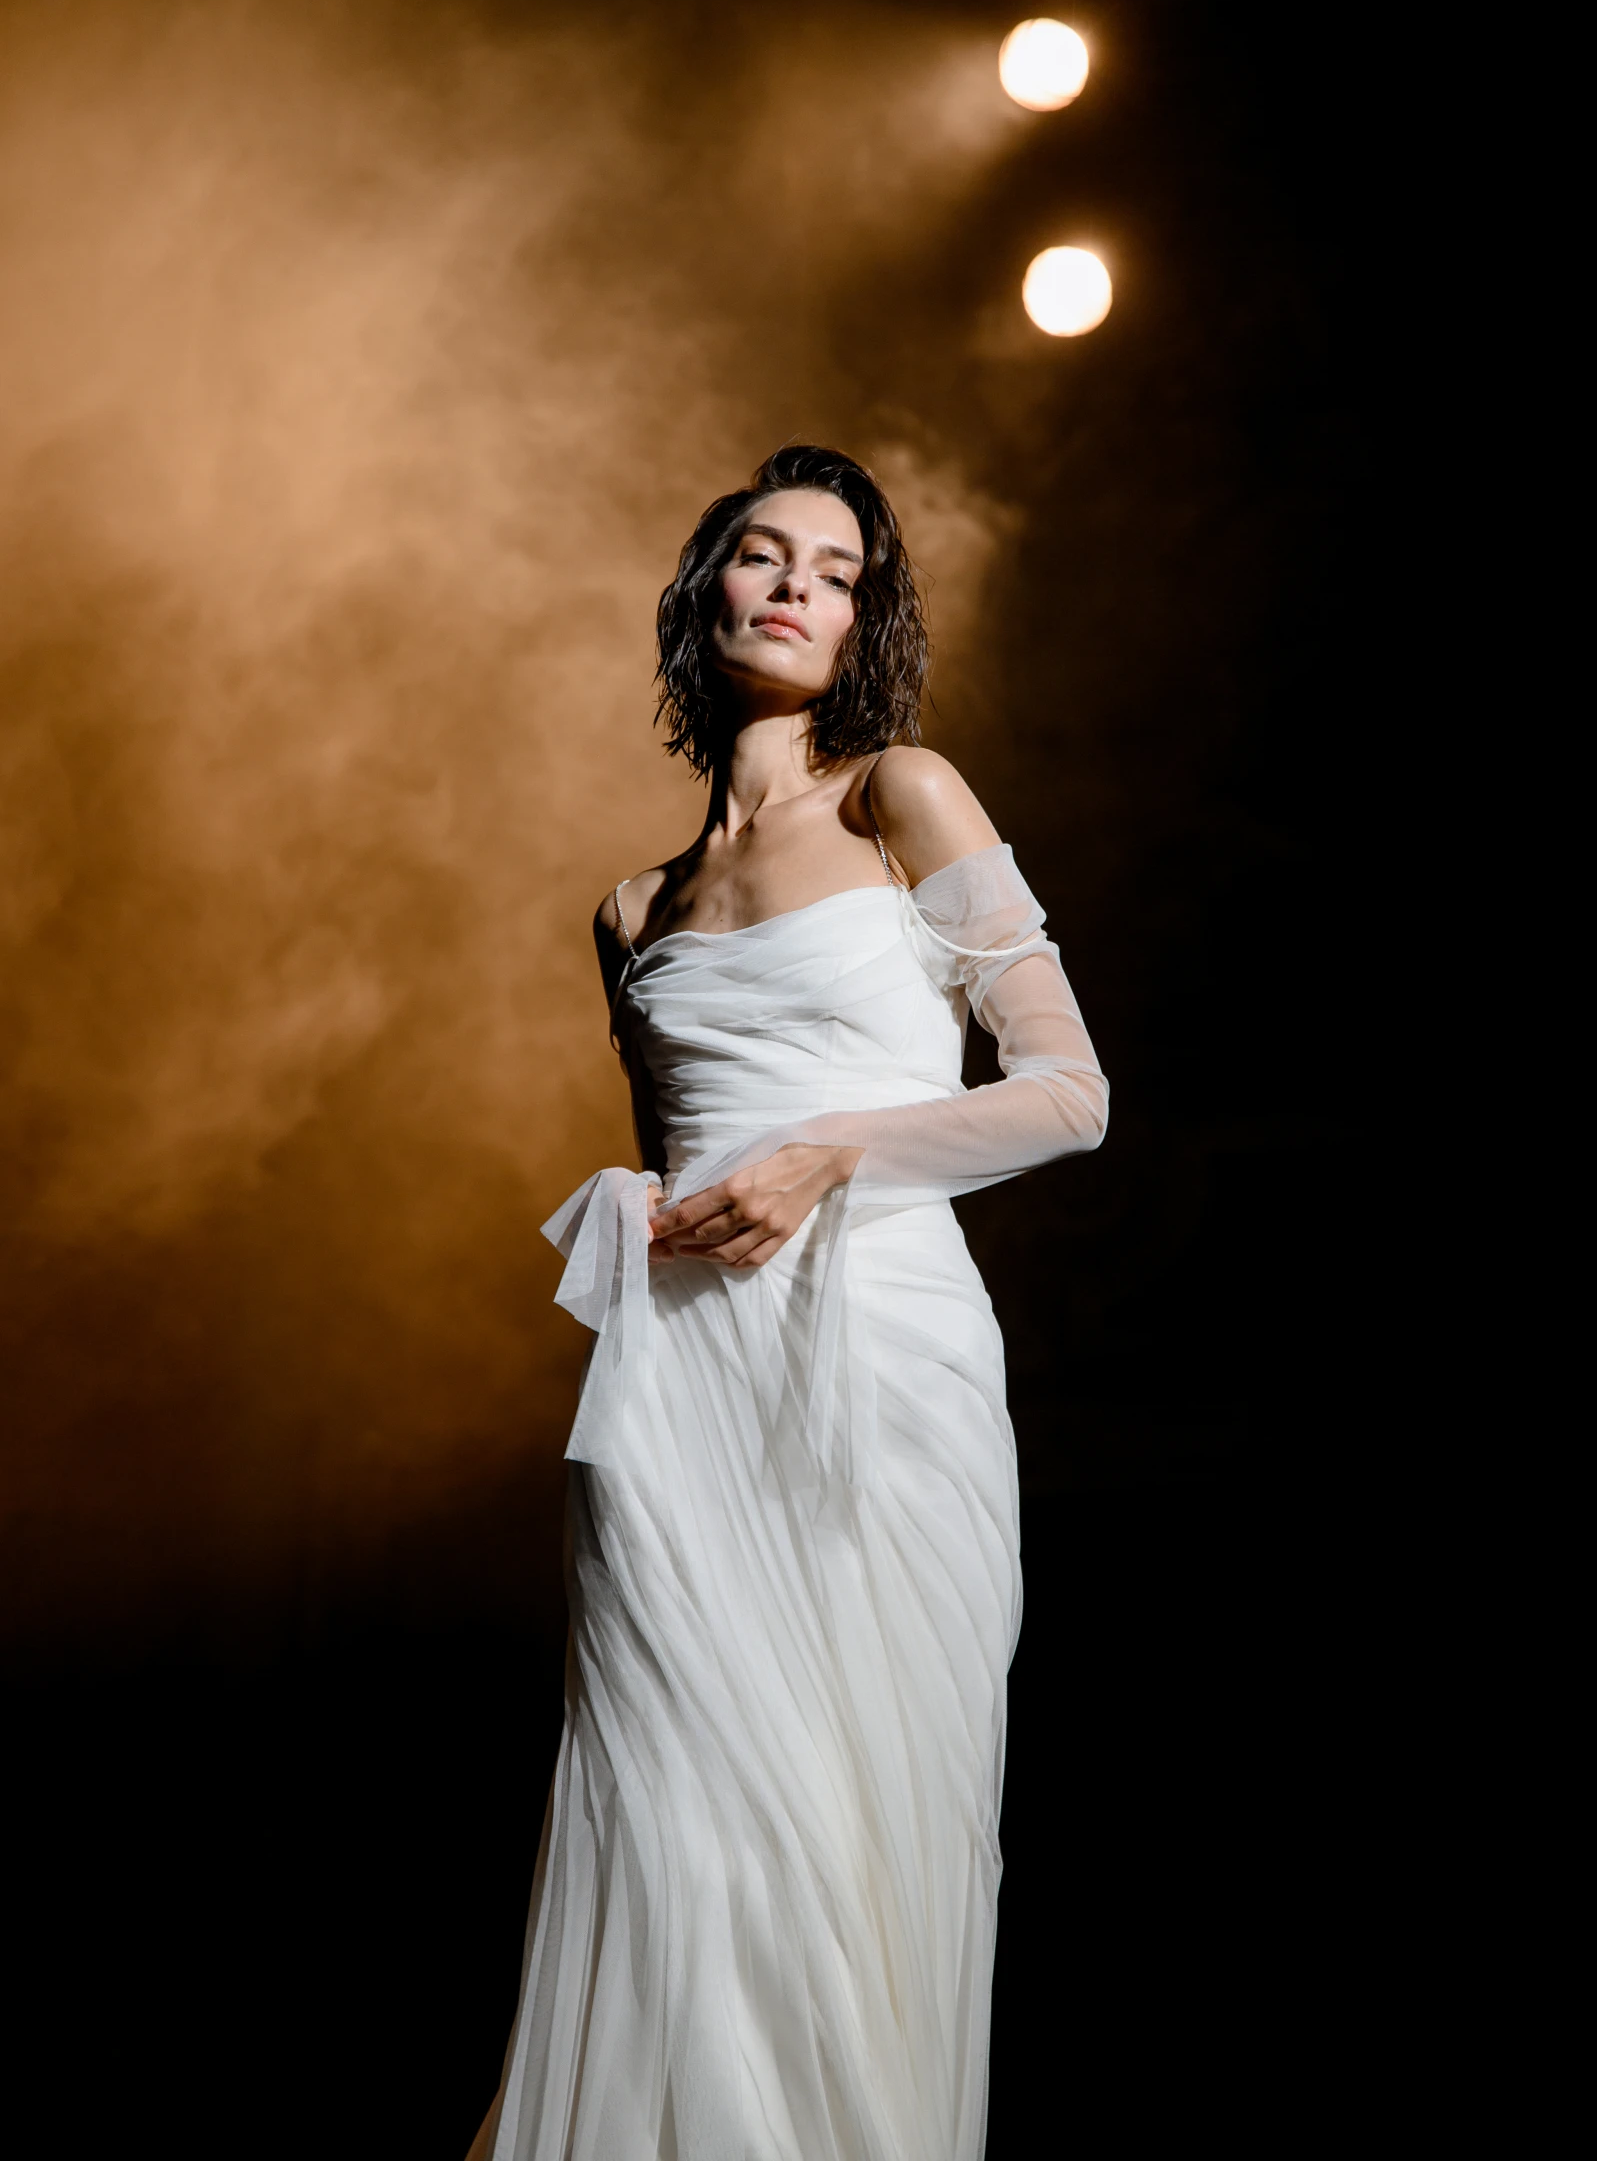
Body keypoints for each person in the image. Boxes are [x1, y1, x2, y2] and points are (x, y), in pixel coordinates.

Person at [469, 445, 1108, 2161]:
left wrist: (830, 1156)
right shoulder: (628, 911)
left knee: (846, 1835)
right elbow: (681, 1162)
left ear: (861, 624)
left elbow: (1070, 1095)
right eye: (763, 554)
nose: (795, 586)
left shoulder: (905, 797)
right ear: (707, 592)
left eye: (835, 571)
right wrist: (680, 1204)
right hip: (681, 1389)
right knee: (674, 1823)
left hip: (881, 1367)